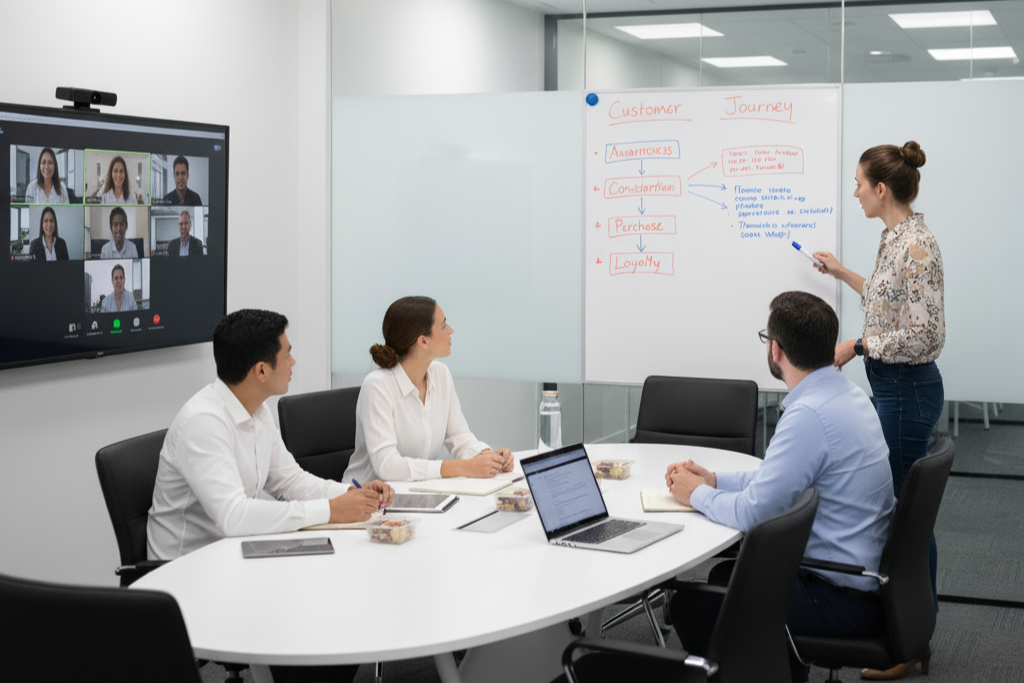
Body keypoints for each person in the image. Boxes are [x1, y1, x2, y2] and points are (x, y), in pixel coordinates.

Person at [148, 309, 392, 683]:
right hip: (191, 577)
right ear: (261, 370)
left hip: (239, 558)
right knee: (315, 616)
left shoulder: (257, 410)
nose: (294, 362)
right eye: (288, 353)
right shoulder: (203, 423)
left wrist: (352, 494)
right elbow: (233, 517)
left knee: (339, 600)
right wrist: (330, 509)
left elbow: (290, 482)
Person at [665, 291, 896, 683]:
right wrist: (715, 480)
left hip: (840, 596)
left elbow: (756, 513)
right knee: (725, 577)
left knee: (691, 604)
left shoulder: (809, 414)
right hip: (865, 581)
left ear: (776, 351)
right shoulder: (845, 395)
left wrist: (696, 494)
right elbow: (780, 480)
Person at [812, 142, 944, 678]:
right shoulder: (894, 238)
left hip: (907, 391)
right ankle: (910, 635)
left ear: (881, 189)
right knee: (901, 513)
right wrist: (843, 273)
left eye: (860, 184)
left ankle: (909, 643)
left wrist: (858, 346)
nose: (855, 192)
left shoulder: (917, 245)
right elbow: (888, 303)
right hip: (893, 390)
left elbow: (926, 335)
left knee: (906, 520)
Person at [344, 296, 513, 482]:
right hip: (367, 502)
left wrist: (488, 456)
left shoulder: (441, 374)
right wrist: (462, 467)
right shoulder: (377, 387)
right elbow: (387, 466)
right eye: (443, 326)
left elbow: (459, 437)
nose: (451, 331)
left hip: (416, 495)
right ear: (423, 342)